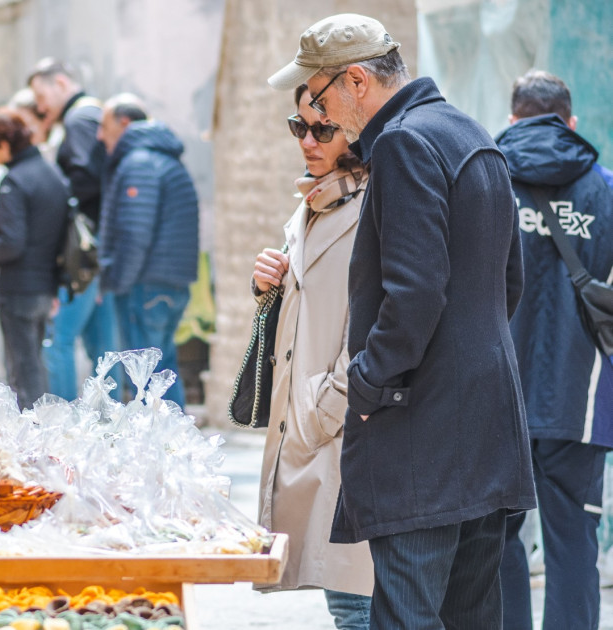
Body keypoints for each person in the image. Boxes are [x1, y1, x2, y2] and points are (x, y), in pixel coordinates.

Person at [269, 13, 535, 628]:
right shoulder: (469, 131)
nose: (320, 111)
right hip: (487, 424)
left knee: (406, 615)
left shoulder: (402, 142)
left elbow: (414, 295)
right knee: (471, 616)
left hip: (424, 436)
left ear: (356, 81)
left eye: (320, 97)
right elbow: (509, 282)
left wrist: (365, 384)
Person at [249, 86, 373, 629]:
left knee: (356, 594)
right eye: (298, 127)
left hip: (347, 421)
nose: (307, 140)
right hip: (312, 423)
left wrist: (330, 402)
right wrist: (268, 286)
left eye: (323, 129)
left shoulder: (373, 202)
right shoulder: (317, 199)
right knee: (342, 592)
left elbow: (382, 317)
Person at [496, 70, 613, 630]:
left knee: (496, 539)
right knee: (573, 543)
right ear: (571, 122)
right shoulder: (605, 189)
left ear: (512, 119)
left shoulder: (485, 179)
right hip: (580, 397)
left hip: (495, 393)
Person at [95, 94, 199, 408]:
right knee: (162, 373)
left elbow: (134, 233)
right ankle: (174, 437)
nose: (100, 135)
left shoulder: (140, 163)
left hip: (145, 286)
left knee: (144, 379)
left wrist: (117, 281)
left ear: (124, 123)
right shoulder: (162, 158)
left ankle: (158, 438)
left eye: (104, 126)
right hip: (167, 284)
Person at [28, 58, 119, 400]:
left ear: (61, 85)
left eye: (41, 97)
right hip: (99, 245)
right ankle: (108, 422)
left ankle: (61, 420)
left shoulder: (78, 119)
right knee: (103, 348)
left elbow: (85, 179)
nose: (40, 107)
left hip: (84, 249)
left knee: (58, 340)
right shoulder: (90, 114)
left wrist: (53, 201)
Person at [0, 110, 70, 409]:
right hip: (45, 284)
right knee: (34, 363)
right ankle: (41, 423)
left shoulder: (15, 181)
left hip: (18, 287)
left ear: (4, 145)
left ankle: (33, 427)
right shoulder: (51, 174)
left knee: (22, 370)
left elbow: (11, 243)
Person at [0, 88, 53, 234]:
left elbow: (13, 238)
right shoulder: (11, 169)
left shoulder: (40, 165)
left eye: (26, 123)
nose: (22, 130)